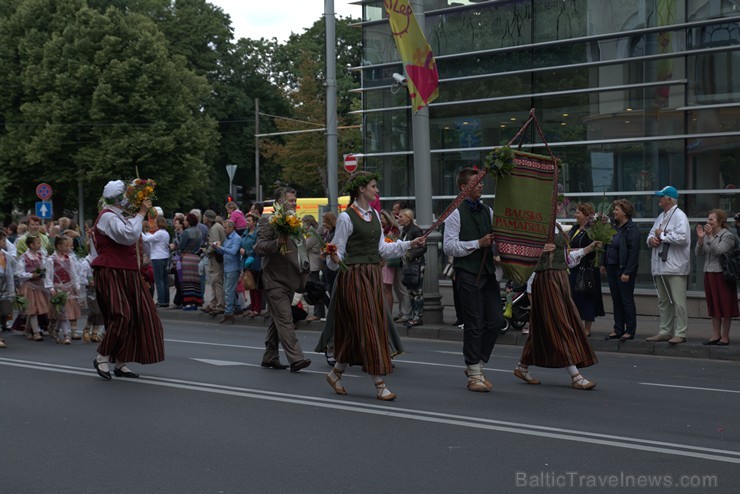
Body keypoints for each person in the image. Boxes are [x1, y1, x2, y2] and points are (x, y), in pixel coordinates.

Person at [324, 171, 425, 401]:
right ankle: (379, 383)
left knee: (356, 328)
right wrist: (332, 258)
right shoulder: (346, 218)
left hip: (372, 275)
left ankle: (336, 373)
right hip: (354, 276)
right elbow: (336, 251)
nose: (377, 190)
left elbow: (383, 249)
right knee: (370, 325)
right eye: (373, 186)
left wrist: (409, 243)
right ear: (361, 189)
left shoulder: (376, 216)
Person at [514, 217, 601, 390]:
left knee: (541, 326)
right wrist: (538, 250)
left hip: (560, 278)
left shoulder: (558, 226)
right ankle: (575, 375)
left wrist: (588, 249)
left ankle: (522, 367)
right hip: (546, 279)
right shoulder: (535, 227)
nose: (559, 205)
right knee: (561, 323)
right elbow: (519, 253)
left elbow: (566, 258)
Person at [90, 180, 165, 380]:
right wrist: (141, 212)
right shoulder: (107, 217)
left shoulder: (119, 215)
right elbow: (128, 235)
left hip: (127, 271)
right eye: (125, 195)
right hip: (112, 270)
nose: (127, 199)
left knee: (140, 315)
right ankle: (102, 356)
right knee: (121, 315)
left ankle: (121, 361)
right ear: (117, 198)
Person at [442, 168, 506, 392]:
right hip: (468, 274)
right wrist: (477, 243)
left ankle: (476, 364)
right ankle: (474, 374)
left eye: (481, 182)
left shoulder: (487, 210)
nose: (481, 185)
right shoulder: (455, 212)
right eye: (476, 182)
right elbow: (449, 246)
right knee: (474, 323)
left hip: (487, 273)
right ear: (463, 187)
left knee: (497, 321)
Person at [253, 186, 312, 372]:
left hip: (291, 279)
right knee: (286, 319)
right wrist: (277, 243)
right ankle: (296, 358)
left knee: (277, 319)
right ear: (279, 202)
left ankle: (270, 355)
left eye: (295, 200)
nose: (294, 203)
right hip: (274, 279)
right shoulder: (268, 221)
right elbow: (259, 247)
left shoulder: (295, 222)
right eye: (290, 200)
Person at [645, 186, 691, 345]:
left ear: (669, 199)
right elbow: (651, 234)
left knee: (678, 301)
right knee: (663, 300)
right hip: (661, 266)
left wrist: (662, 236)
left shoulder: (680, 216)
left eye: (661, 196)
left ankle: (680, 332)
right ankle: (665, 331)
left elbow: (682, 238)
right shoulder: (660, 216)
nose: (659, 199)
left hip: (675, 266)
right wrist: (652, 240)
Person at [695, 209, 738, 346]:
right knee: (713, 304)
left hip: (722, 274)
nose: (708, 222)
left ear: (720, 221)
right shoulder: (708, 235)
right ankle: (715, 335)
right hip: (709, 272)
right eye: (708, 219)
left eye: (711, 219)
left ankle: (725, 336)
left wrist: (711, 237)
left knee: (725, 305)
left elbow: (719, 250)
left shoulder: (727, 235)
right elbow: (699, 253)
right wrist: (701, 239)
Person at [602, 199, 641, 341]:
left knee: (626, 299)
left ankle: (630, 330)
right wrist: (602, 263)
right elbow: (607, 245)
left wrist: (627, 272)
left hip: (623, 270)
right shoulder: (614, 227)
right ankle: (618, 328)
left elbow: (633, 253)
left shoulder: (631, 230)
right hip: (612, 268)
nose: (614, 212)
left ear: (625, 213)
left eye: (617, 210)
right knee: (616, 299)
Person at [567, 203, 605, 337]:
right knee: (574, 296)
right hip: (574, 267)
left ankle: (587, 328)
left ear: (586, 215)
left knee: (587, 296)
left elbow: (595, 247)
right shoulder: (574, 229)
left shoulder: (592, 229)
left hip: (587, 268)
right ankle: (575, 324)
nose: (575, 215)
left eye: (578, 213)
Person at [45, 236, 82, 344]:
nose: (68, 247)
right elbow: (49, 275)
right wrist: (51, 288)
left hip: (68, 287)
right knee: (59, 312)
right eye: (65, 245)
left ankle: (63, 334)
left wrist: (77, 286)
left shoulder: (69, 259)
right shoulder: (51, 260)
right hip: (57, 288)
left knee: (65, 312)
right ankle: (57, 330)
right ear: (58, 246)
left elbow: (73, 273)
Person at [17, 234, 50, 341]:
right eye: (38, 243)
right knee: (32, 309)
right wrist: (31, 275)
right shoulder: (24, 258)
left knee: (37, 308)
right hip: (29, 286)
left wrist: (43, 274)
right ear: (31, 245)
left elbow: (46, 268)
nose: (40, 245)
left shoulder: (41, 256)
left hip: (39, 285)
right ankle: (36, 332)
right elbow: (19, 273)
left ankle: (27, 329)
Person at [397, 208, 426, 327]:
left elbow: (423, 247)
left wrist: (410, 254)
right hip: (407, 265)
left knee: (417, 291)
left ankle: (417, 316)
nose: (398, 219)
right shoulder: (404, 231)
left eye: (401, 217)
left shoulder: (415, 230)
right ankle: (413, 315)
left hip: (416, 265)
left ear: (408, 218)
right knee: (410, 291)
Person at [214, 220, 242, 324]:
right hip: (227, 267)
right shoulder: (228, 238)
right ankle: (238, 308)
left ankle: (228, 313)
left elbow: (233, 251)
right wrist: (217, 248)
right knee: (230, 290)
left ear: (231, 228)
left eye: (225, 228)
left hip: (233, 268)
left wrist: (220, 247)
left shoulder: (236, 239)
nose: (224, 229)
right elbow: (224, 250)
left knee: (228, 291)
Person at [174, 213, 203, 310]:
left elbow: (181, 246)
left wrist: (175, 241)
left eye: (186, 220)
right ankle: (195, 302)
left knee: (186, 282)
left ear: (189, 222)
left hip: (186, 258)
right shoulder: (199, 232)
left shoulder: (186, 232)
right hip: (196, 258)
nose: (184, 222)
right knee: (194, 282)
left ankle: (188, 303)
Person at [143, 215, 171, 308]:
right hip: (165, 257)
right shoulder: (166, 233)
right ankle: (166, 300)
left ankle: (161, 301)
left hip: (157, 257)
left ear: (159, 223)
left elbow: (146, 239)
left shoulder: (159, 233)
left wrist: (139, 231)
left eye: (155, 223)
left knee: (159, 281)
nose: (154, 225)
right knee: (164, 280)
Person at [201, 210, 226, 315]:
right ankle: (214, 304)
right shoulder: (215, 227)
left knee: (216, 281)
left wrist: (206, 251)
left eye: (204, 217)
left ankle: (220, 305)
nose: (203, 218)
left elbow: (215, 244)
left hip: (215, 258)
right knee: (215, 281)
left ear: (207, 218)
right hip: (217, 257)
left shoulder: (214, 228)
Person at [302, 215, 324, 321]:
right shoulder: (312, 232)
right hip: (313, 261)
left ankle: (318, 313)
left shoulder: (312, 233)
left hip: (313, 262)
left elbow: (305, 246)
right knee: (316, 287)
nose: (303, 225)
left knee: (315, 289)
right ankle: (319, 312)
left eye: (304, 223)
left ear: (309, 223)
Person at [240, 213, 262, 317]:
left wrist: (246, 252)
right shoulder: (245, 232)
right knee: (250, 285)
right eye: (246, 220)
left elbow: (257, 247)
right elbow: (242, 244)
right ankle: (252, 307)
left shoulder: (257, 233)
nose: (247, 222)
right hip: (246, 262)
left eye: (249, 221)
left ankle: (257, 308)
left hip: (254, 262)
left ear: (254, 222)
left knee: (256, 286)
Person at [0, 231, 15, 346]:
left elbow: (9, 273)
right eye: (3, 240)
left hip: (3, 287)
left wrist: (12, 291)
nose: (5, 243)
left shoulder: (5, 255)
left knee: (3, 312)